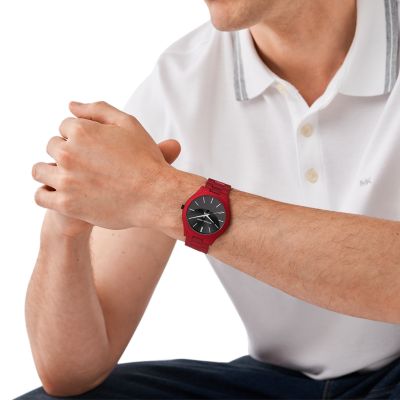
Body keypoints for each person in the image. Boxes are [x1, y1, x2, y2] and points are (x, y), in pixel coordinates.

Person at [16, 0, 400, 398]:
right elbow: (71, 375)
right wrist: (64, 227)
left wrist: (162, 195)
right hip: (275, 383)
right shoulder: (180, 81)